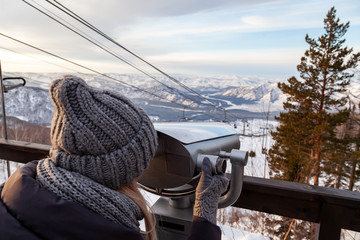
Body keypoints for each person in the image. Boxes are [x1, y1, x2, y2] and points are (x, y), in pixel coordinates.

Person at [0, 76, 229, 240]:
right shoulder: (106, 230)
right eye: (143, 161)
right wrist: (205, 215)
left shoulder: (14, 191)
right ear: (119, 171)